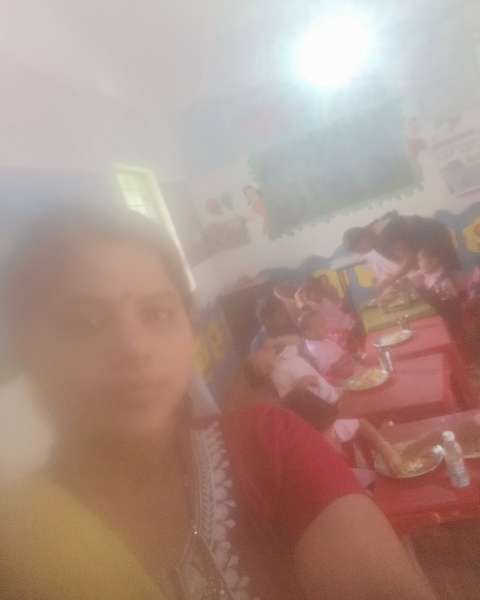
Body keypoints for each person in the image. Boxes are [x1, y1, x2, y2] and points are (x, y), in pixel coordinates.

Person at [0, 205, 434, 600]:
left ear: (188, 329)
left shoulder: (269, 445)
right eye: (85, 322)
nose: (134, 348)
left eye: (157, 313)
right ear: (22, 348)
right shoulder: (18, 543)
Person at [283, 388, 403, 486]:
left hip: (355, 479)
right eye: (322, 436)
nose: (332, 436)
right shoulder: (303, 470)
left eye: (331, 430)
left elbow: (360, 424)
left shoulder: (331, 427)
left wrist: (384, 447)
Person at [246, 342, 343, 405]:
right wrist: (300, 386)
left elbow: (295, 342)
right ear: (263, 369)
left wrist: (276, 340)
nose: (261, 350)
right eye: (258, 354)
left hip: (330, 390)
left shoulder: (283, 357)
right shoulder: (277, 375)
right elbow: (288, 398)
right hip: (326, 400)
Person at [297, 310, 355, 384]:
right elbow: (331, 373)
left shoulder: (322, 339)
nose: (326, 327)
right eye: (321, 326)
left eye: (324, 323)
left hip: (350, 368)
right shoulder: (314, 350)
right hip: (345, 379)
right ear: (308, 332)